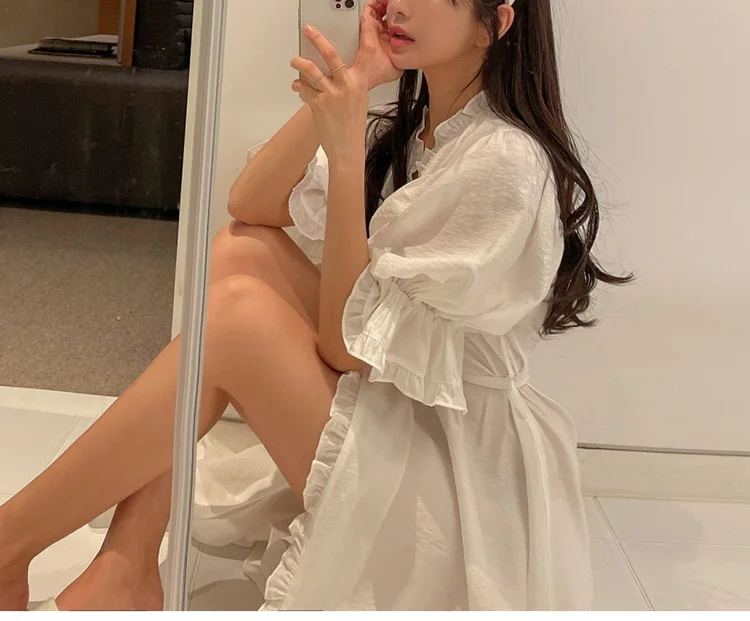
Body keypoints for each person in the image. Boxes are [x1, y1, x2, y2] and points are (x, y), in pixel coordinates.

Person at [0, 0, 630, 611]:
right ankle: (124, 569)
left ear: (494, 25)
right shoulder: (420, 135)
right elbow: (250, 206)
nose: (397, 6)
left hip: (454, 475)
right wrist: (351, 83)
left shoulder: (503, 161)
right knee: (241, 252)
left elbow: (345, 348)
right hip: (403, 413)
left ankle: (10, 544)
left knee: (237, 320)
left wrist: (347, 146)